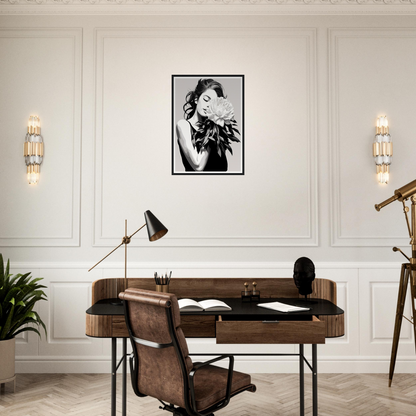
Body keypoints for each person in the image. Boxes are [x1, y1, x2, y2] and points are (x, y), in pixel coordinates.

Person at [176, 78, 237, 172]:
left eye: (213, 103)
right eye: (206, 99)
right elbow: (198, 166)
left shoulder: (217, 131)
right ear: (196, 99)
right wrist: (210, 129)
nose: (209, 105)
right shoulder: (183, 125)